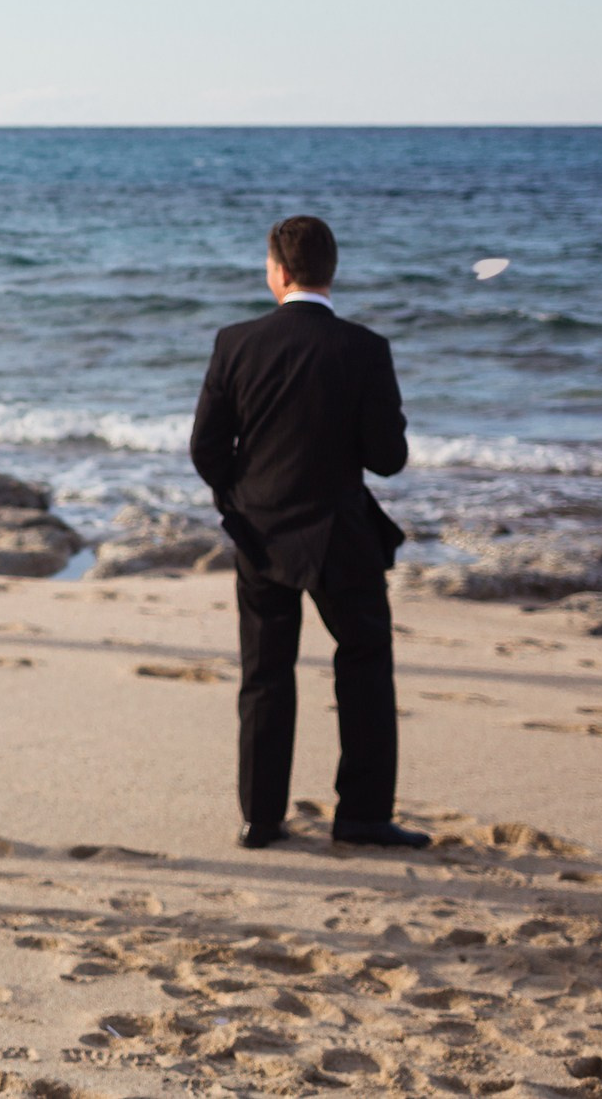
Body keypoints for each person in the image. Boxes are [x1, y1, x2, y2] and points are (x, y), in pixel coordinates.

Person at [190, 215, 424, 851]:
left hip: (261, 533)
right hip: (340, 532)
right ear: (330, 272)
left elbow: (206, 447)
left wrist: (238, 501)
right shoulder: (364, 347)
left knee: (265, 673)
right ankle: (363, 815)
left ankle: (261, 820)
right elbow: (388, 457)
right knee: (366, 666)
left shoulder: (235, 342)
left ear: (278, 272)